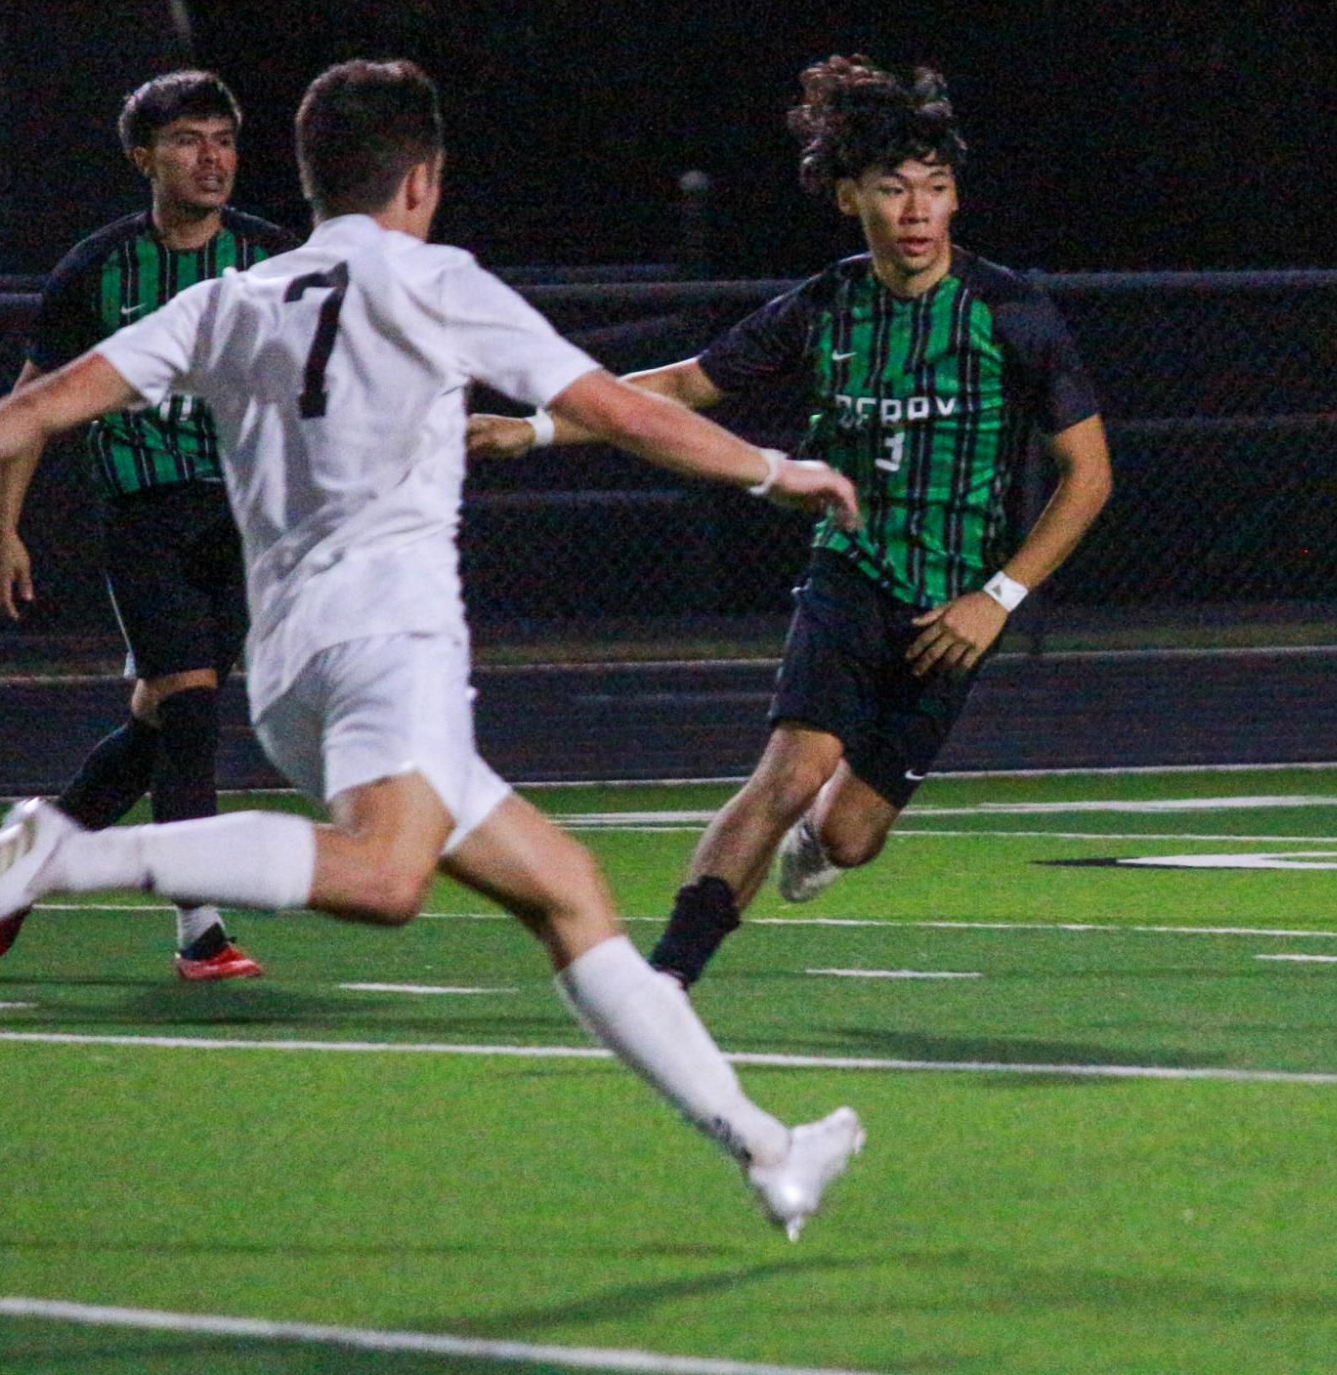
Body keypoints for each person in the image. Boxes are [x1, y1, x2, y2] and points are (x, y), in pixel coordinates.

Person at [0, 58, 866, 1239]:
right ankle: (63, 856)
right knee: (386, 877)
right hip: (384, 644)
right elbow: (622, 408)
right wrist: (779, 471)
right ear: (422, 179)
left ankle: (763, 1148)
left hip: (292, 671)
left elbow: (47, 400)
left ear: (311, 178)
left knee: (567, 890)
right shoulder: (433, 278)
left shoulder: (232, 298)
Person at [470, 55, 1112, 990]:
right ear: (850, 196)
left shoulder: (1010, 312)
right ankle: (662, 983)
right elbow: (682, 386)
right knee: (787, 773)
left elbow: (1087, 476)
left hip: (957, 615)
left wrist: (997, 598)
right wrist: (530, 427)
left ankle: (819, 841)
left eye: (935, 188)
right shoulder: (823, 308)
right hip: (850, 576)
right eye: (893, 189)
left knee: (850, 837)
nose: (918, 210)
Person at [0, 70, 298, 978]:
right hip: (145, 516)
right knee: (193, 712)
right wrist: (4, 528)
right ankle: (199, 930)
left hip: (245, 525)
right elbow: (33, 405)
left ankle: (28, 863)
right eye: (190, 141)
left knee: (162, 725)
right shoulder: (97, 268)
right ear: (143, 157)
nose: (213, 158)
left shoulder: (274, 258)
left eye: (225, 140)